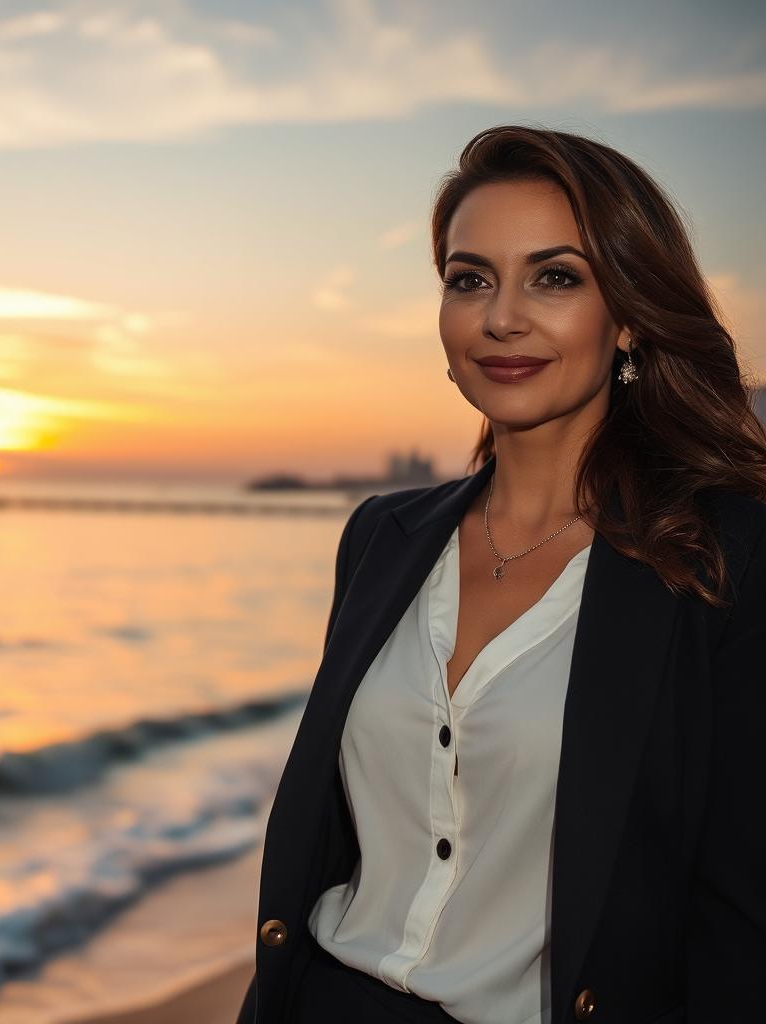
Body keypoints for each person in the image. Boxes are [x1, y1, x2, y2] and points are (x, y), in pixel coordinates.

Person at [234, 124, 766, 1024]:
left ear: (630, 312)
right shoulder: (380, 537)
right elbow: (331, 838)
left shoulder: (721, 554)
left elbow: (741, 913)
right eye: (468, 278)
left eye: (554, 277)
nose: (500, 317)